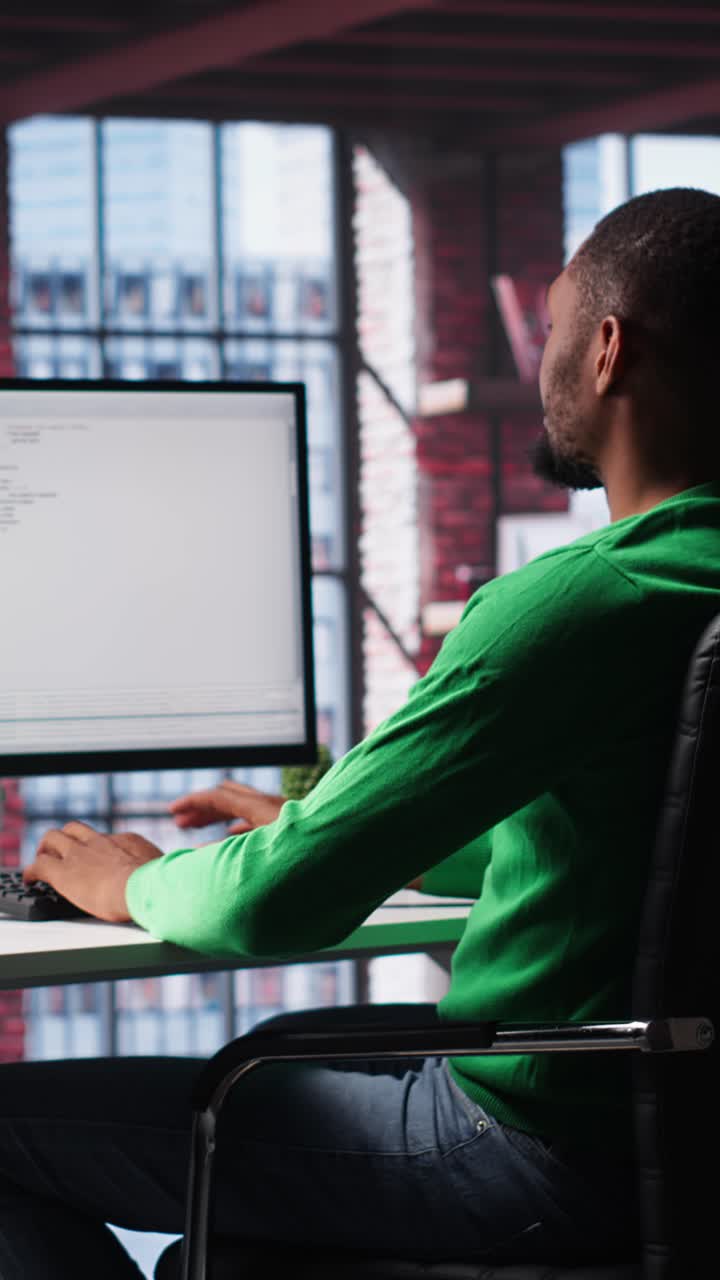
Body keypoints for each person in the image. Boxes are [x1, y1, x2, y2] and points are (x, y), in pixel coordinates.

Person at [4, 186, 720, 1278]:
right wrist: (334, 816)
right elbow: (628, 836)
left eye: (557, 324)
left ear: (609, 349)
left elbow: (268, 900)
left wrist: (130, 881)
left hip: (533, 1149)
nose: (543, 363)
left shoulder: (587, 601)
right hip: (680, 1149)